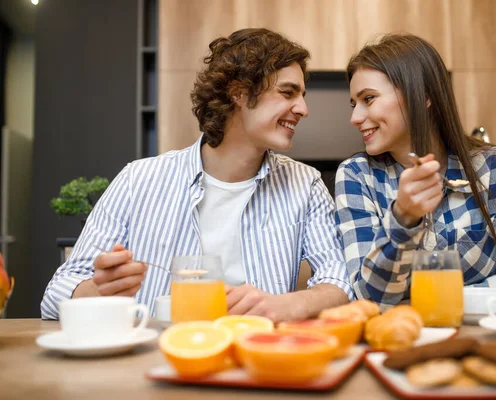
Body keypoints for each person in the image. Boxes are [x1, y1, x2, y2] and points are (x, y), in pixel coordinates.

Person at [42, 28, 354, 321]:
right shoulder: (139, 179)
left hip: (256, 360)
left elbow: (340, 281)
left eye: (302, 96)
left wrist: (284, 305)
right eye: (288, 93)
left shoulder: (306, 184)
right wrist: (100, 291)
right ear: (239, 93)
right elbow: (57, 293)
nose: (303, 109)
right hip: (156, 361)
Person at [334, 34, 496, 309]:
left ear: (423, 95)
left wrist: (433, 303)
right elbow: (369, 299)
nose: (355, 118)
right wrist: (403, 218)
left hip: (487, 336)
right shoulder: (356, 177)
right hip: (402, 343)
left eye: (369, 99)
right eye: (354, 104)